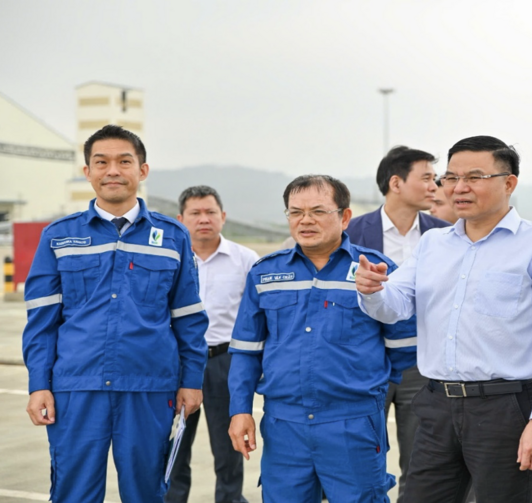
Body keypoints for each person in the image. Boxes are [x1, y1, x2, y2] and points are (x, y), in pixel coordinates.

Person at [356, 135, 532, 503]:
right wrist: (372, 290)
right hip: (437, 405)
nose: (459, 188)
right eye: (451, 177)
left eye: (474, 177)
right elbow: (395, 305)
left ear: (509, 183)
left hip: (505, 409)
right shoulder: (433, 244)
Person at [22, 125, 208, 502]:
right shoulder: (58, 236)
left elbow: (188, 318)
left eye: (124, 162)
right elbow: (41, 322)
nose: (112, 171)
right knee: (73, 491)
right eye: (101, 162)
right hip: (76, 386)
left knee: (146, 490)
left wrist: (192, 380)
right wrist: (39, 384)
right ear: (87, 171)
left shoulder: (173, 236)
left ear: (142, 170)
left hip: (149, 386)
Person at [227, 175, 417, 503]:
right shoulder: (265, 274)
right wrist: (240, 410)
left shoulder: (374, 270)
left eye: (318, 211)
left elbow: (403, 346)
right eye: (296, 212)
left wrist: (366, 386)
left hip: (353, 422)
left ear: (345, 217)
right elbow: (246, 350)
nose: (305, 220)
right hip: (284, 423)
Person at [346, 145, 451, 501]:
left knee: (421, 463)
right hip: (363, 364)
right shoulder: (353, 234)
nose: (435, 186)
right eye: (427, 178)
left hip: (420, 365)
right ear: (396, 183)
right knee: (361, 461)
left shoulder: (444, 235)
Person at [165, 186, 258, 503]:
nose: (203, 219)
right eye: (195, 213)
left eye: (210, 212)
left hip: (225, 361)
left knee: (229, 445)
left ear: (223, 216)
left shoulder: (245, 260)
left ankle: (230, 499)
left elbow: (257, 317)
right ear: (181, 219)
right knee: (174, 444)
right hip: (177, 364)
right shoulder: (170, 258)